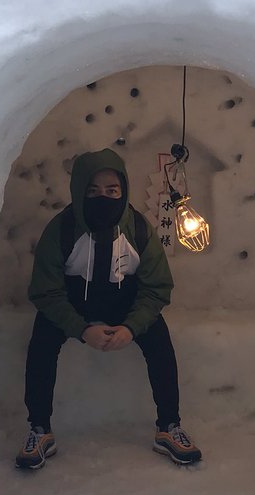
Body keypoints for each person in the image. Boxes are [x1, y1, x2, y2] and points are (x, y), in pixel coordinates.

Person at [15, 147, 202, 470]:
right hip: (74, 304)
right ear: (79, 191)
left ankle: (168, 426)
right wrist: (81, 329)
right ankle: (39, 429)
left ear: (123, 190)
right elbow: (46, 292)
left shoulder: (139, 230)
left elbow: (157, 288)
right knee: (43, 337)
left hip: (122, 302)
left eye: (112, 190)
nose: (104, 197)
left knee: (158, 337)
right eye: (94, 191)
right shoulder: (61, 230)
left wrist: (132, 326)